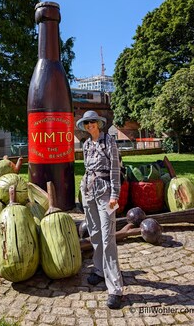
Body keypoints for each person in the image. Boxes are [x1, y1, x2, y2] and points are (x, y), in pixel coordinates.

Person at [77, 110, 123, 309]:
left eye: (93, 122)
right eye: (87, 123)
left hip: (105, 193)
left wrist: (115, 195)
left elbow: (115, 169)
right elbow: (87, 169)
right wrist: (82, 192)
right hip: (88, 192)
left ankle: (115, 289)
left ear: (99, 123)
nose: (90, 126)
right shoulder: (86, 145)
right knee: (95, 234)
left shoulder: (109, 142)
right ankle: (98, 269)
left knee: (108, 238)